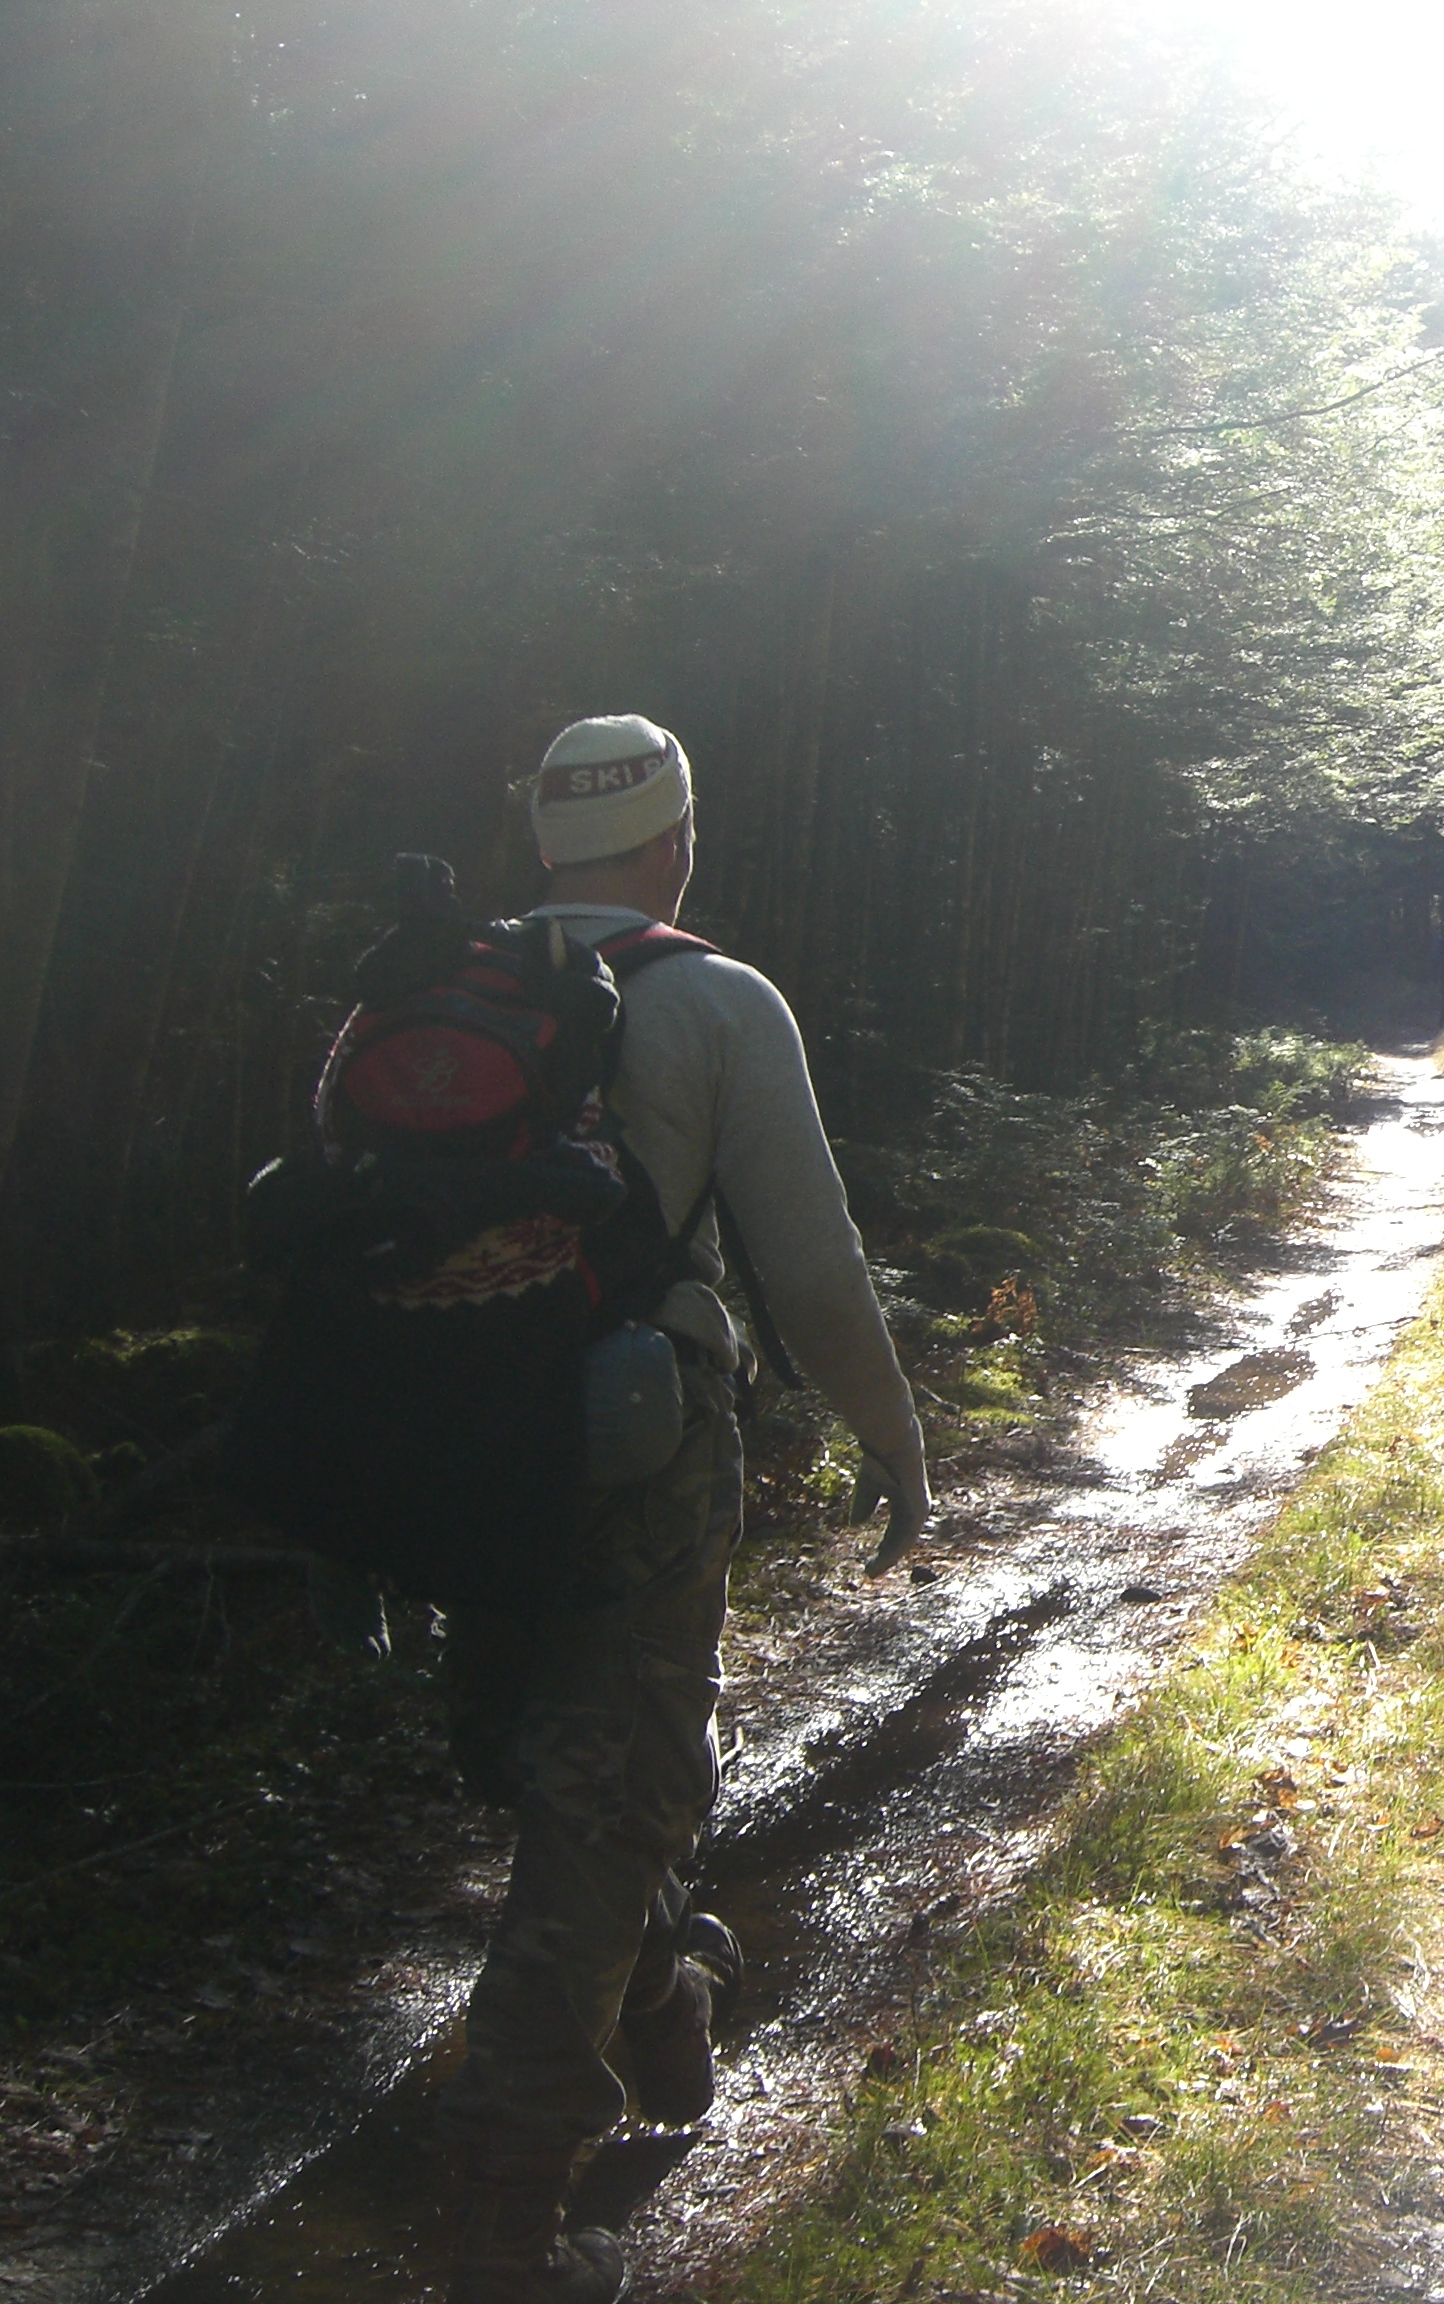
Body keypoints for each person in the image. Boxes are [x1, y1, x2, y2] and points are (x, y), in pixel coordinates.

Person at [440, 714, 929, 2304]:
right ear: (678, 840)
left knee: (579, 1752)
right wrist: (894, 1440)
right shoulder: (712, 997)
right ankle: (509, 2214)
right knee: (614, 1776)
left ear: (541, 839)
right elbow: (808, 1262)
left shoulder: (442, 991)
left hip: (450, 1439)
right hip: (642, 1444)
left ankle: (661, 2023)